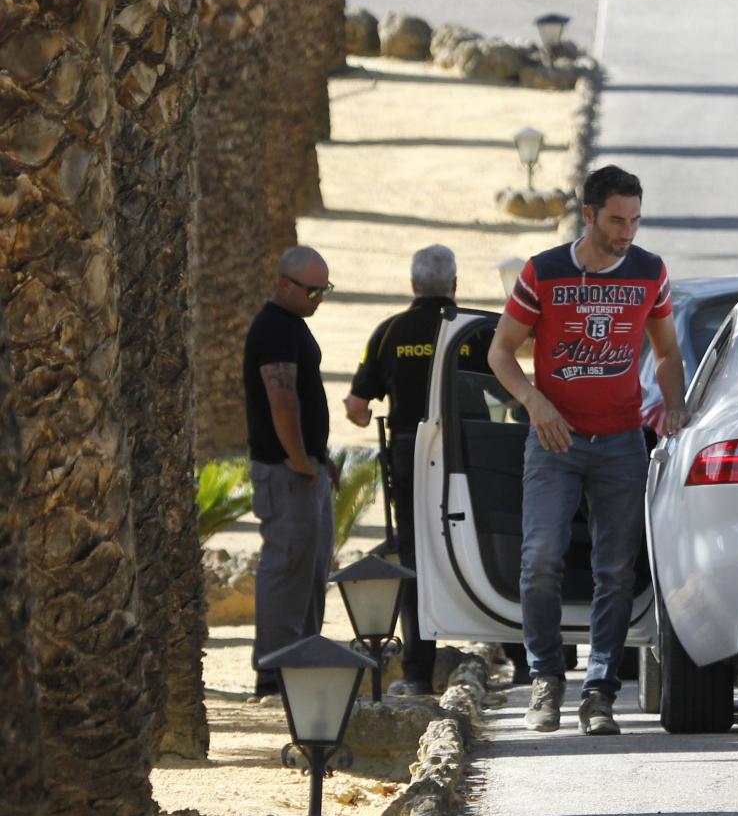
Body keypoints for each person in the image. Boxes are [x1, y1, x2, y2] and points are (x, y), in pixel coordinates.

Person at [488, 165, 687, 735]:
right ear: (590, 214)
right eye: (617, 220)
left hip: (623, 441)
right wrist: (535, 402)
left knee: (615, 571)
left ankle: (600, 693)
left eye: (635, 220)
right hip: (554, 441)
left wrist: (674, 405)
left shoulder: (649, 272)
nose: (628, 232)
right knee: (539, 561)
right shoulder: (544, 271)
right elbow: (501, 351)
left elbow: (666, 351)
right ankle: (546, 679)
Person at [345, 244, 489, 695]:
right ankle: (519, 656)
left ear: (412, 285)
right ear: (455, 284)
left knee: (414, 557)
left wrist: (369, 416)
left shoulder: (389, 332)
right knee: (484, 542)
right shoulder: (474, 331)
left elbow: (356, 408)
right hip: (468, 453)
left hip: (410, 457)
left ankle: (418, 671)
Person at [245, 246, 338, 699]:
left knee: (311, 570)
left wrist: (318, 456)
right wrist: (299, 459)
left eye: (325, 289)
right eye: (312, 290)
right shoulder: (274, 329)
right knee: (286, 571)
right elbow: (281, 400)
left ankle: (301, 665)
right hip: (286, 474)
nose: (319, 298)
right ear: (286, 284)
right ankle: (274, 675)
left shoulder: (293, 326)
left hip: (306, 469)